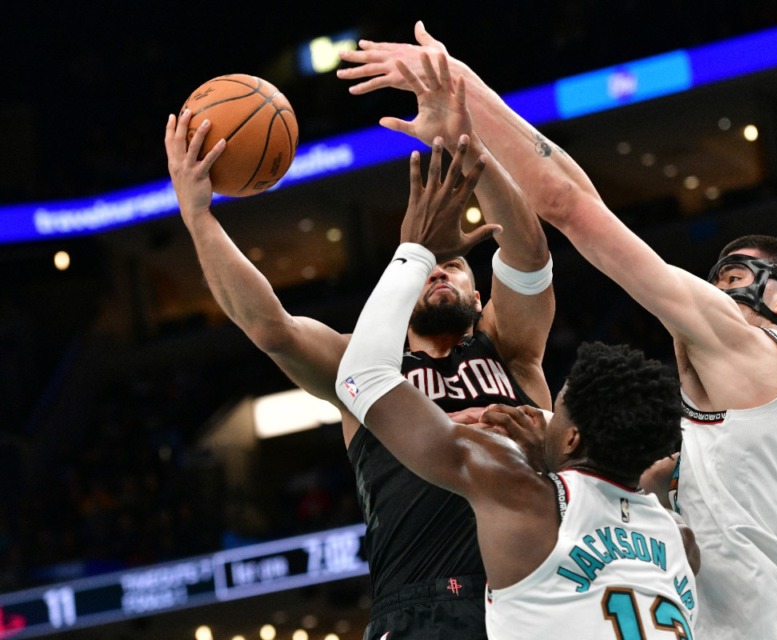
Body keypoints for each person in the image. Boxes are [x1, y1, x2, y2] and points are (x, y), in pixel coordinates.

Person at [338, 26, 777, 638]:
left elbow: (570, 203)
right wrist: (552, 450)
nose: (714, 290)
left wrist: (463, 94)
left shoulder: (748, 346)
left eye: (735, 275)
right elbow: (647, 482)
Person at [164, 104, 555, 639]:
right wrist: (198, 216)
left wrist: (471, 152)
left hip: (539, 593)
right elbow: (271, 327)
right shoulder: (361, 366)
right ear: (398, 286)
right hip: (421, 605)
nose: (438, 268)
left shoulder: (510, 348)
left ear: (479, 293)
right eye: (425, 264)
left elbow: (529, 256)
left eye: (456, 264)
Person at [335, 139, 699, 639]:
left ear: (573, 439)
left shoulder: (519, 494)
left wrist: (413, 250)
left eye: (558, 410)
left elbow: (363, 378)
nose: (543, 413)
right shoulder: (678, 540)